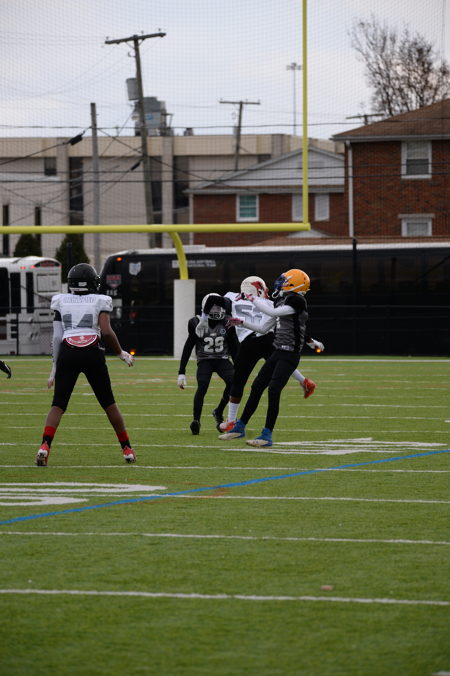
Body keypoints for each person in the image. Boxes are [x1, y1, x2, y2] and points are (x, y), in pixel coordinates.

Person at [35, 263, 136, 467]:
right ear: (91, 282)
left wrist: (54, 367)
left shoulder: (61, 300)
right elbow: (106, 331)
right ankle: (126, 449)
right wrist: (120, 353)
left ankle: (45, 446)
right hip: (92, 351)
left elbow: (57, 337)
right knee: (108, 403)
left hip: (68, 351)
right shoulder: (100, 300)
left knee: (58, 404)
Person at [211, 276, 323, 434]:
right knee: (281, 361)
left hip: (249, 342)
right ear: (258, 288)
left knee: (239, 381)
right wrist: (310, 340)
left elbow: (213, 301)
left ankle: (231, 421)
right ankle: (304, 381)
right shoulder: (270, 303)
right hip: (268, 338)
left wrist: (208, 315)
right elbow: (292, 325)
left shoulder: (232, 297)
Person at [178, 293, 238, 434]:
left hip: (222, 358)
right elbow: (188, 346)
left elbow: (234, 347)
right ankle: (196, 420)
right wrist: (181, 371)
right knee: (203, 385)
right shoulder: (195, 322)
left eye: (218, 307)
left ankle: (219, 411)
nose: (216, 310)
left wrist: (239, 366)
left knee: (233, 382)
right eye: (213, 307)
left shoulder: (227, 322)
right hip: (204, 359)